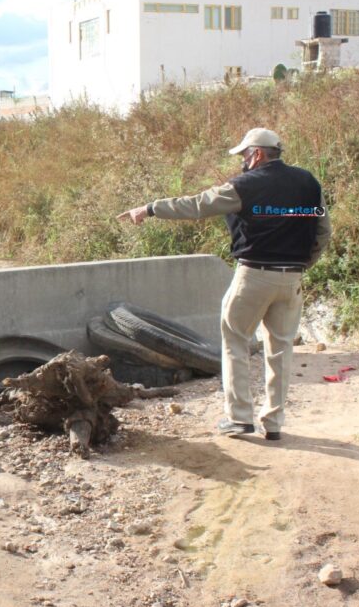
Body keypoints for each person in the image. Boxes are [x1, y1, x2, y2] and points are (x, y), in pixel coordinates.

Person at [117, 128, 331, 441]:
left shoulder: (245, 186)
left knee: (235, 342)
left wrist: (149, 209)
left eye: (244, 155)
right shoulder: (309, 183)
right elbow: (323, 230)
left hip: (254, 276)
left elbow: (196, 205)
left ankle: (240, 418)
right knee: (280, 350)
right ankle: (273, 423)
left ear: (257, 153)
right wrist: (301, 266)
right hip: (292, 279)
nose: (243, 162)